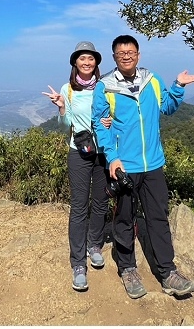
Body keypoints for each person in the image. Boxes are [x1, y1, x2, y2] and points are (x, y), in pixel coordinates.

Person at [91, 34, 194, 299]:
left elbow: (167, 108)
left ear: (138, 54)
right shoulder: (105, 87)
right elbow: (100, 123)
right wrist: (112, 157)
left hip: (153, 163)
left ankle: (167, 272)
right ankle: (128, 268)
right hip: (125, 166)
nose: (126, 56)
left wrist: (177, 86)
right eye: (121, 53)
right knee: (124, 218)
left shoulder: (152, 80)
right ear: (115, 57)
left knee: (158, 217)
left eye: (131, 52)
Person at [42, 41, 112, 292]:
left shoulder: (106, 87)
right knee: (80, 205)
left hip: (104, 151)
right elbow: (66, 125)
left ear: (96, 63)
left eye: (91, 58)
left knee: (101, 201)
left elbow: (115, 115)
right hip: (79, 152)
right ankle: (78, 263)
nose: (86, 62)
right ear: (75, 62)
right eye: (82, 58)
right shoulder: (67, 89)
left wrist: (110, 121)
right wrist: (61, 107)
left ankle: (95, 244)